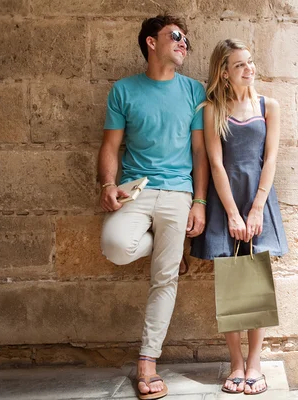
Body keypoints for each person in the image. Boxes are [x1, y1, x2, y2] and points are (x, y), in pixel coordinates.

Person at [97, 14, 208, 400]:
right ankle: (168, 248)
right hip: (136, 189)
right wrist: (108, 185)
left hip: (179, 192)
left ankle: (147, 362)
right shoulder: (124, 91)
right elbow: (110, 145)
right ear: (150, 42)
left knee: (165, 279)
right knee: (114, 245)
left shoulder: (195, 91)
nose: (183, 44)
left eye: (186, 41)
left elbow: (199, 151)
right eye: (175, 37)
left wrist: (200, 201)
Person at [190, 39, 288, 395]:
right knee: (230, 282)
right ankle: (235, 363)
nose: (249, 69)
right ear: (224, 72)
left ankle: (255, 364)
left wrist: (258, 206)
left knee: (258, 278)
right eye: (240, 65)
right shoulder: (212, 110)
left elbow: (271, 159)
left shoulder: (269, 106)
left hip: (258, 196)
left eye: (250, 62)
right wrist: (232, 213)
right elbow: (215, 163)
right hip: (225, 199)